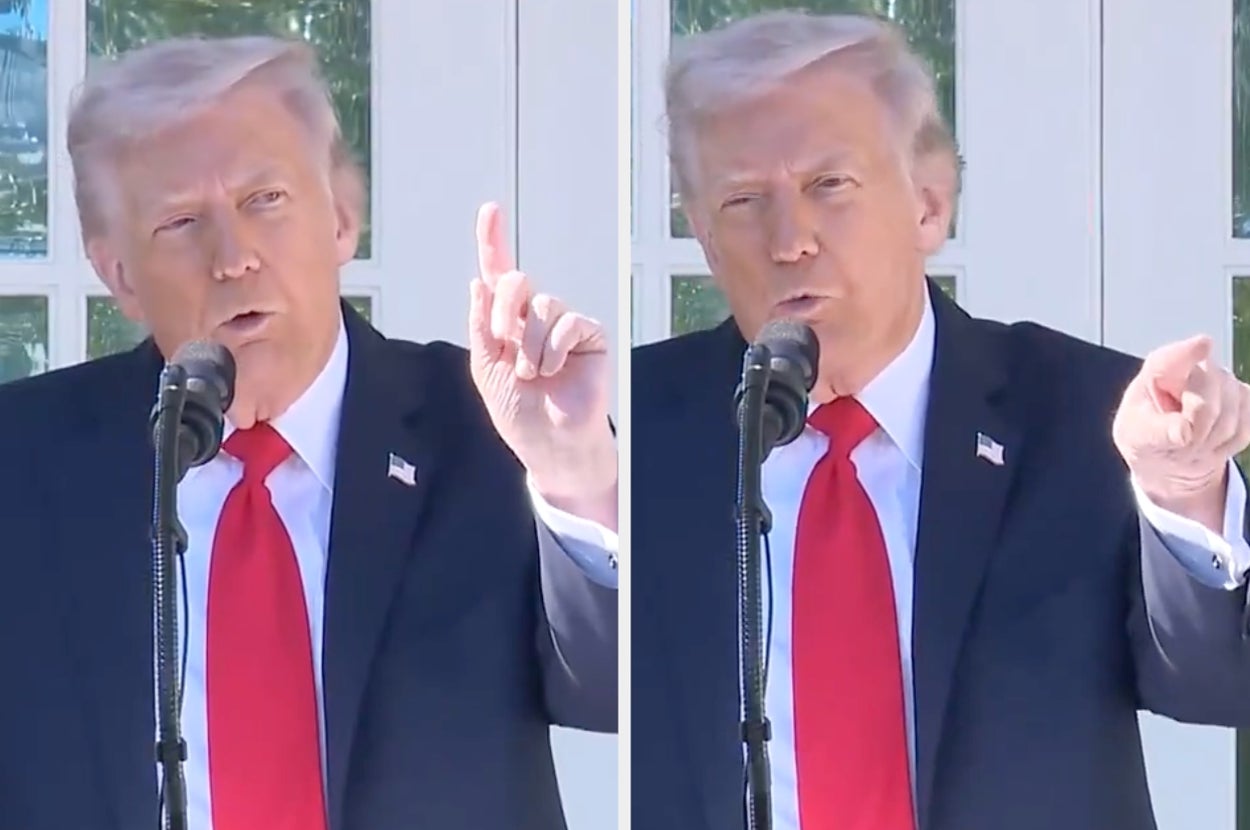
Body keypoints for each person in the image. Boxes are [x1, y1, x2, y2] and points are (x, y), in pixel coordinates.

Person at [630, 11, 1250, 830]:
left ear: (928, 205)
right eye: (743, 200)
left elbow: (1217, 683)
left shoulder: (1081, 417)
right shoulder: (630, 438)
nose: (790, 240)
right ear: (706, 239)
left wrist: (1185, 490)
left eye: (829, 185)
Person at [0, 36, 617, 830]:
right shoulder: (24, 467)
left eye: (266, 200)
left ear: (341, 220)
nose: (234, 257)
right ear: (116, 272)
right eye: (182, 221)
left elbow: (616, 692)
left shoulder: (485, 426)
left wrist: (573, 476)